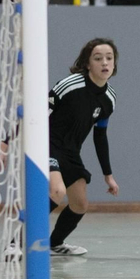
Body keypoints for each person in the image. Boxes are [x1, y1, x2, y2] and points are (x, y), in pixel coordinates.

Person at [47, 38, 120, 256]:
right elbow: (37, 112)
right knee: (57, 191)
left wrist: (108, 175)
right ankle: (16, 242)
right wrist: (6, 142)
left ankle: (55, 244)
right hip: (47, 143)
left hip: (70, 153)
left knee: (80, 204)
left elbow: (100, 137)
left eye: (109, 58)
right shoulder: (70, 84)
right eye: (98, 59)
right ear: (88, 64)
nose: (104, 63)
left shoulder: (109, 99)